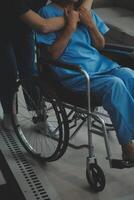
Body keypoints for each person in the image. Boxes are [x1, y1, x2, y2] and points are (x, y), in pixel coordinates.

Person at [36, 0, 134, 162]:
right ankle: (127, 146)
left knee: (129, 75)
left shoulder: (83, 10)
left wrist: (91, 25)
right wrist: (70, 28)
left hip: (101, 66)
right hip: (75, 73)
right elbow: (52, 55)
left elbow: (100, 45)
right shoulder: (46, 13)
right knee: (114, 85)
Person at [0, 0, 92, 130]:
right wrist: (73, 19)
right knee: (8, 71)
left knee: (30, 71)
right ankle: (9, 113)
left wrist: (80, 12)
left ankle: (40, 115)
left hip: (25, 27)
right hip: (2, 28)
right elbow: (44, 26)